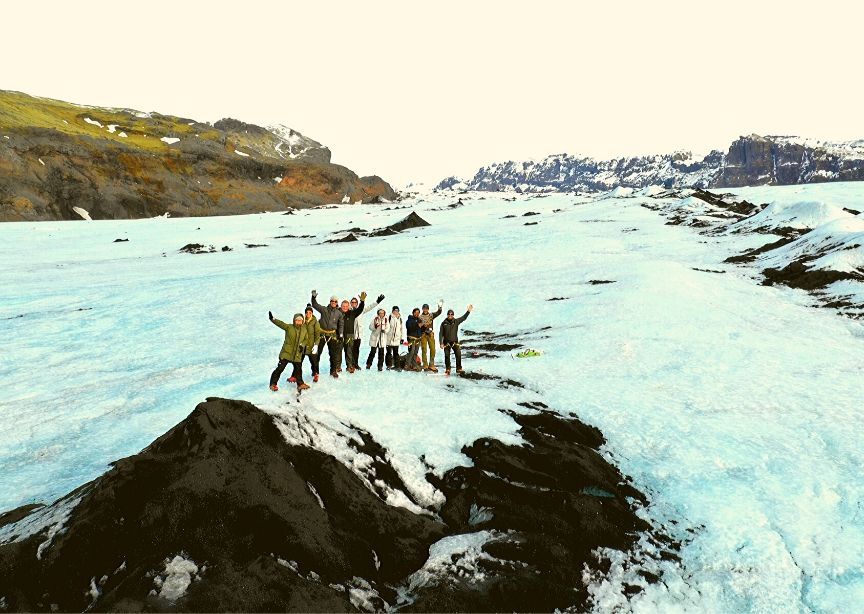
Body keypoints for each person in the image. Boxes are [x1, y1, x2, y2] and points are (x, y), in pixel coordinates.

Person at [268, 311, 310, 391]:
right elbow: (281, 324)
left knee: (298, 369)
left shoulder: (304, 330)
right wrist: (273, 319)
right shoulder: (289, 327)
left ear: (302, 321)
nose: (299, 322)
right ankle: (273, 384)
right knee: (280, 368)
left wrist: (302, 345)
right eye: (297, 320)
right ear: (294, 320)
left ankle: (300, 384)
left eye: (300, 320)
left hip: (297, 354)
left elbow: (306, 339)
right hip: (287, 353)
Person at [310, 290, 344, 378]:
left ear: (337, 303)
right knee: (317, 353)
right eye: (332, 301)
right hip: (322, 334)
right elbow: (315, 305)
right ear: (330, 302)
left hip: (332, 335)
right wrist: (313, 298)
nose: (333, 302)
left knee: (333, 354)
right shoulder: (324, 309)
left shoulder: (339, 313)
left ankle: (333, 371)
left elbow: (341, 325)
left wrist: (340, 335)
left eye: (335, 301)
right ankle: (315, 371)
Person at [352, 293, 385, 369]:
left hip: (358, 334)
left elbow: (370, 307)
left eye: (355, 302)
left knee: (356, 350)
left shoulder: (360, 310)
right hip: (351, 334)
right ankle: (350, 365)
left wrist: (377, 301)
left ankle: (355, 364)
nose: (354, 303)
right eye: (352, 302)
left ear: (357, 303)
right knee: (350, 351)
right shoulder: (349, 311)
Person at [439, 305, 473, 375]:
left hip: (455, 342)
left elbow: (464, 318)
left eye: (451, 314)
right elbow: (440, 334)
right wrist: (441, 343)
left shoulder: (456, 321)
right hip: (446, 343)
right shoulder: (443, 323)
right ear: (447, 315)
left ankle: (459, 368)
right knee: (447, 356)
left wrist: (468, 311)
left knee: (458, 354)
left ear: (453, 315)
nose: (450, 315)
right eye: (449, 314)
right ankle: (448, 369)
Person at [340, 294, 366, 373]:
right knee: (338, 352)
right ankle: (337, 367)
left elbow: (360, 309)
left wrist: (362, 301)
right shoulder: (338, 312)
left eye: (346, 306)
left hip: (350, 335)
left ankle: (350, 366)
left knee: (349, 352)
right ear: (341, 306)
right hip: (340, 334)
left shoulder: (352, 313)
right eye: (343, 306)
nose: (345, 307)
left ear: (348, 306)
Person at [418, 299, 444, 372]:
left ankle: (431, 364)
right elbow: (418, 326)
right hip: (423, 335)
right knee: (424, 350)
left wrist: (440, 307)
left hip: (430, 334)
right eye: (424, 308)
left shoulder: (431, 315)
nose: (425, 309)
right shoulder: (420, 317)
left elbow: (439, 312)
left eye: (426, 308)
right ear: (422, 309)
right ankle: (425, 365)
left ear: (428, 309)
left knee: (433, 349)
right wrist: (422, 325)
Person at [302, 304, 322, 383]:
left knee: (314, 361)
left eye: (310, 312)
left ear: (312, 313)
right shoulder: (302, 321)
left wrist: (316, 344)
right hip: (303, 345)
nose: (308, 314)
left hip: (312, 345)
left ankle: (316, 373)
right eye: (307, 312)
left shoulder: (315, 322)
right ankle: (295, 375)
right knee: (298, 362)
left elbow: (317, 334)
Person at [403, 307, 423, 372]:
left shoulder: (419, 320)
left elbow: (420, 328)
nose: (417, 314)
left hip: (418, 339)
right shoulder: (409, 320)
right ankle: (407, 365)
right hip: (411, 338)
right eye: (416, 312)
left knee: (415, 352)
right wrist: (417, 325)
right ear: (413, 313)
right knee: (411, 352)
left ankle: (414, 364)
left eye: (418, 313)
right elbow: (409, 328)